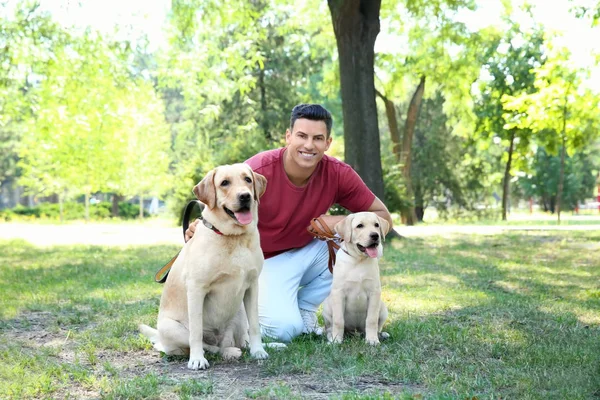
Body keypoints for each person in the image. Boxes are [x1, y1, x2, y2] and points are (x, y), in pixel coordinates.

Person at [185, 104, 393, 342]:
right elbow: (218, 202)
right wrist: (199, 226)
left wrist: (340, 221)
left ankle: (306, 307)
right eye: (301, 136)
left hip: (306, 252)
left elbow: (383, 217)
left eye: (318, 138)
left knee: (346, 237)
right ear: (288, 136)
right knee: (284, 330)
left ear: (328, 143)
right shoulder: (257, 169)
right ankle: (249, 314)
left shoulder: (337, 173)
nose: (308, 145)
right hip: (262, 261)